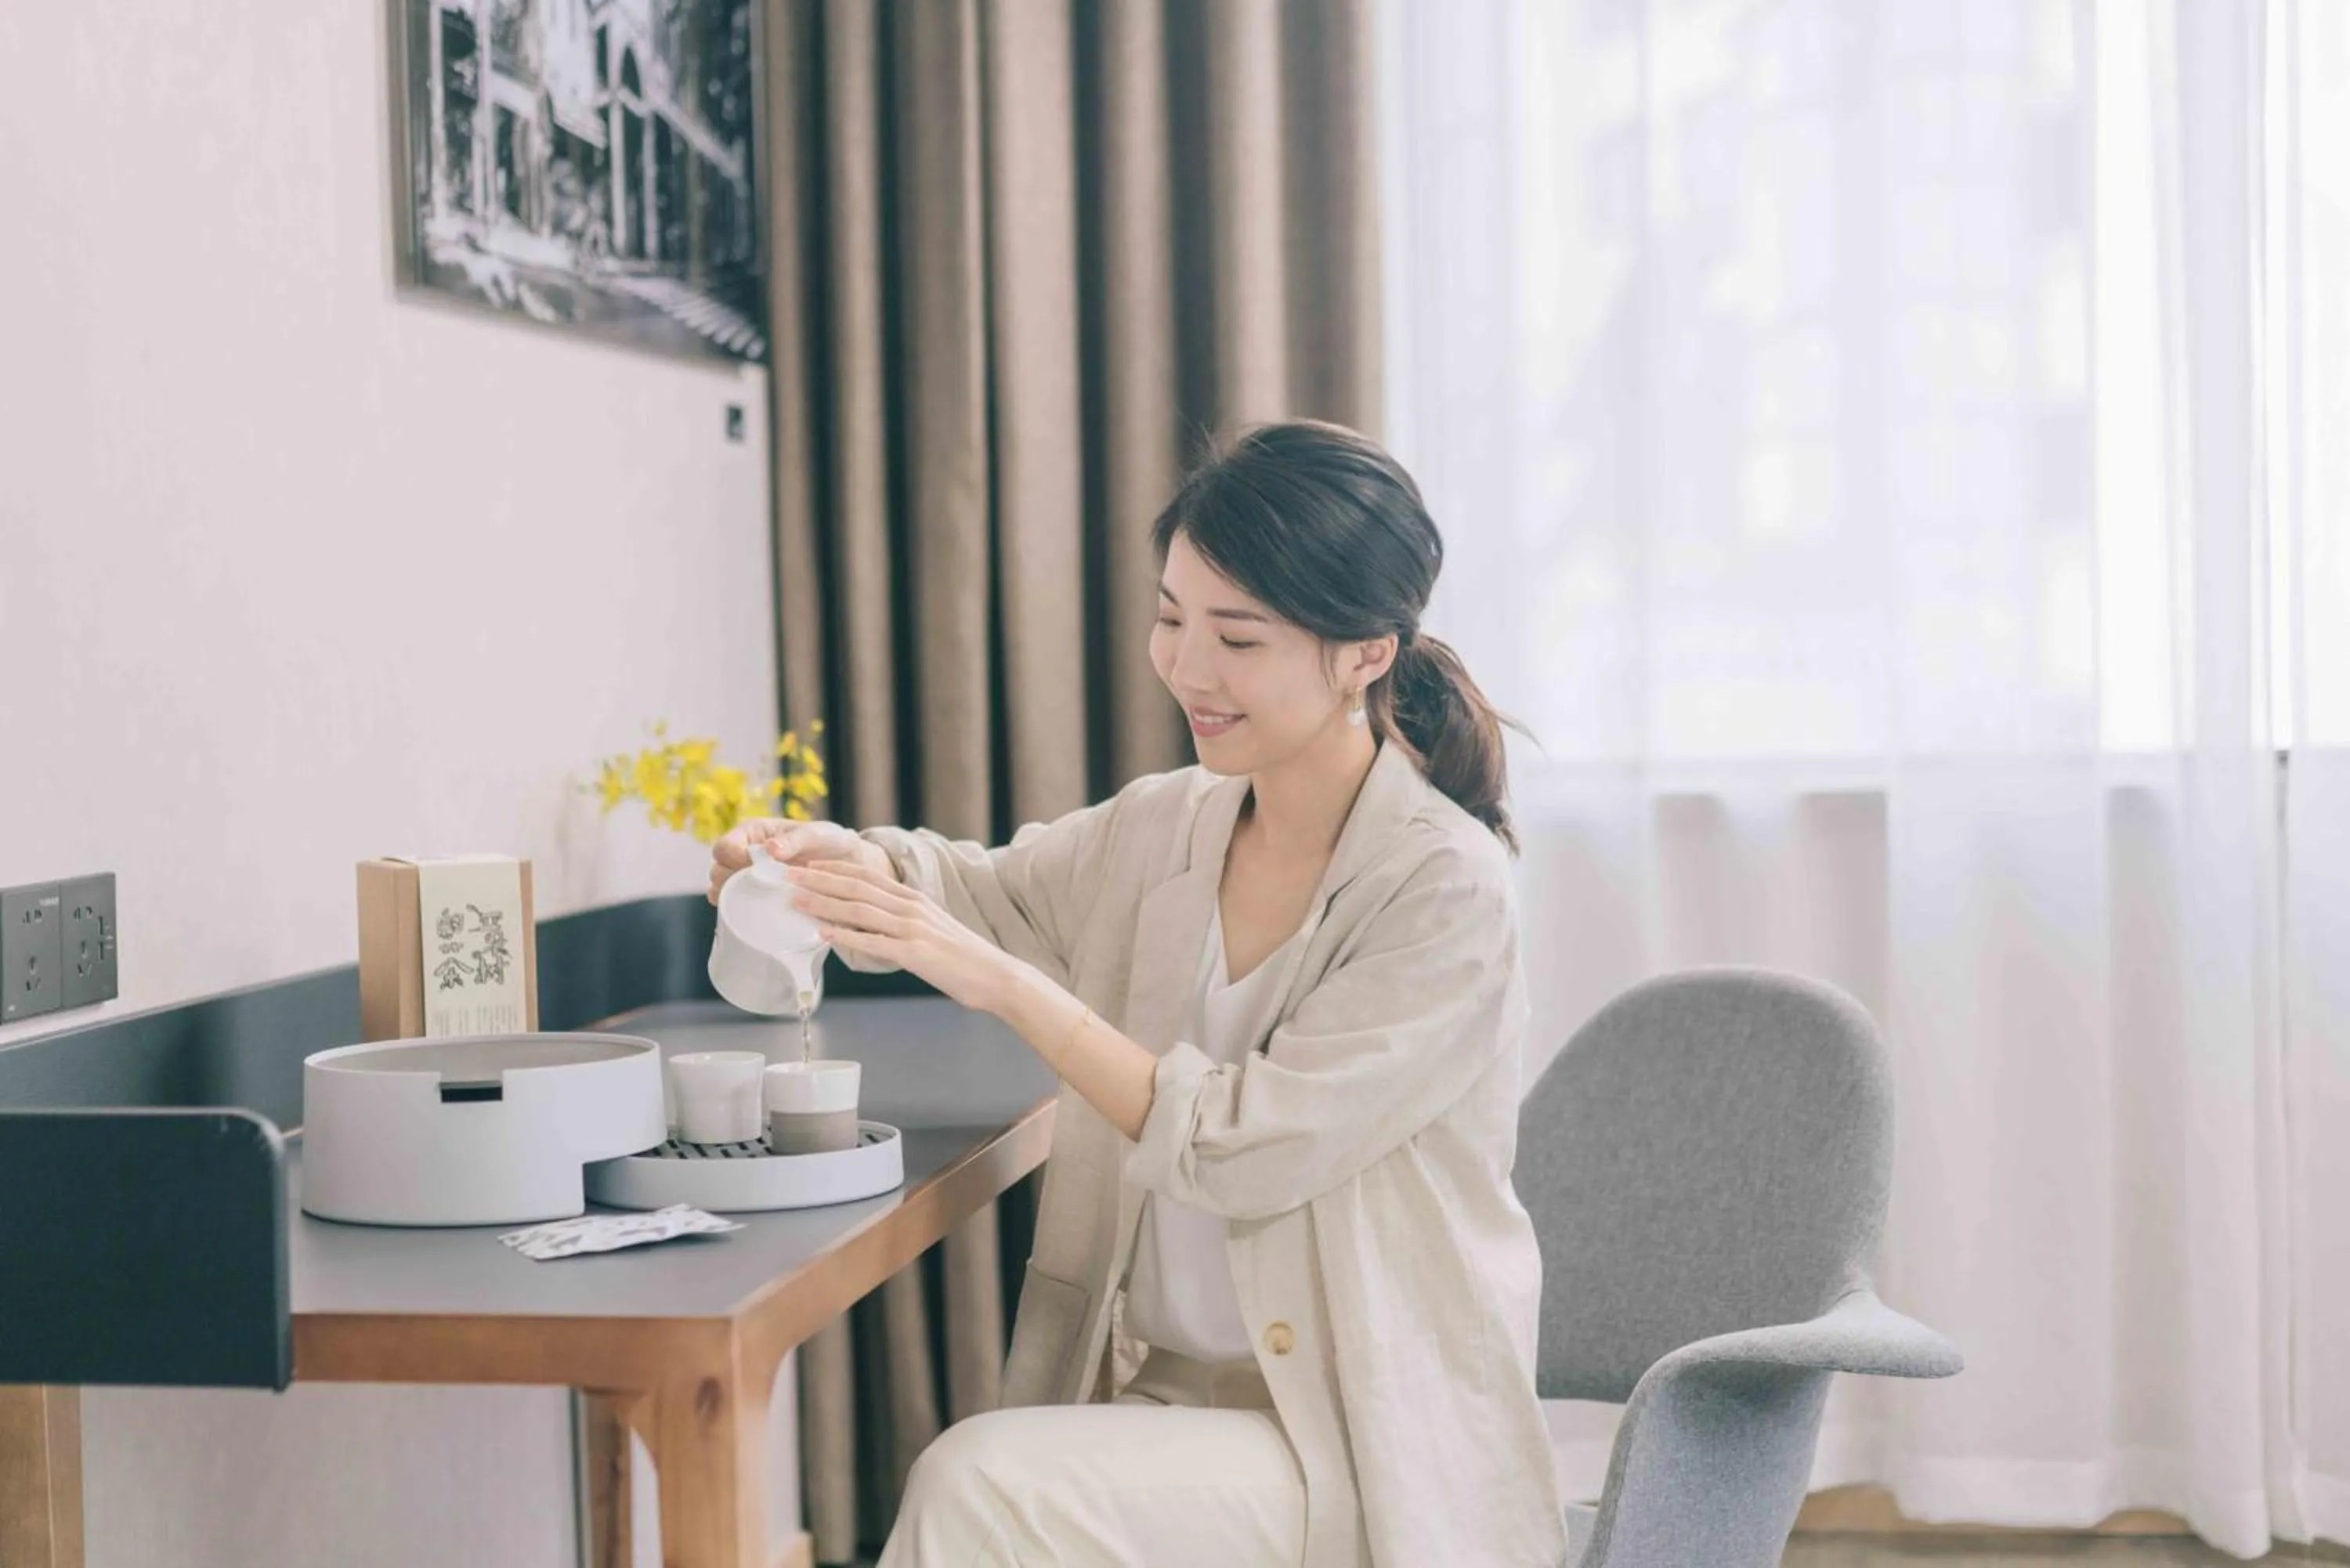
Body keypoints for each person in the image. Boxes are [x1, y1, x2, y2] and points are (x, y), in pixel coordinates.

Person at [709, 421, 1565, 1567]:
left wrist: (1009, 987)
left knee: (977, 1489)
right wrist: (833, 863)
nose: (1189, 670)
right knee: (990, 1490)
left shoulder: (1443, 889)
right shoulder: (1169, 823)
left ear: (1366, 653)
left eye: (1238, 637)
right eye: (1171, 619)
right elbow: (982, 894)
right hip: (1164, 1402)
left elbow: (1242, 1145)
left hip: (1356, 1438)